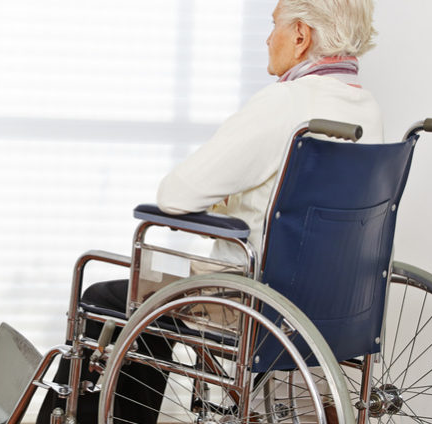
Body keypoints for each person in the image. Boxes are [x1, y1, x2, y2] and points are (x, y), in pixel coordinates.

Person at [38, 1, 380, 423]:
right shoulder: (366, 109)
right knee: (149, 301)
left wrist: (223, 201)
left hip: (250, 301)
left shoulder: (285, 104)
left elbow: (176, 195)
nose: (266, 39)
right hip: (335, 305)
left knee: (104, 298)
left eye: (273, 26)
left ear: (300, 36)